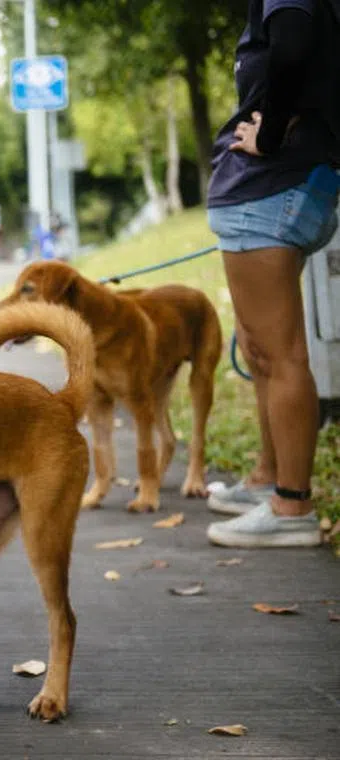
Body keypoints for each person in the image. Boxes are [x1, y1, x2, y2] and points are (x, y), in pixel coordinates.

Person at [204, 0, 339, 548]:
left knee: (280, 355)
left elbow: (290, 51)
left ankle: (291, 505)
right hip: (285, 190)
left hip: (271, 191)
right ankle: (266, 479)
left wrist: (273, 133)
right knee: (262, 350)